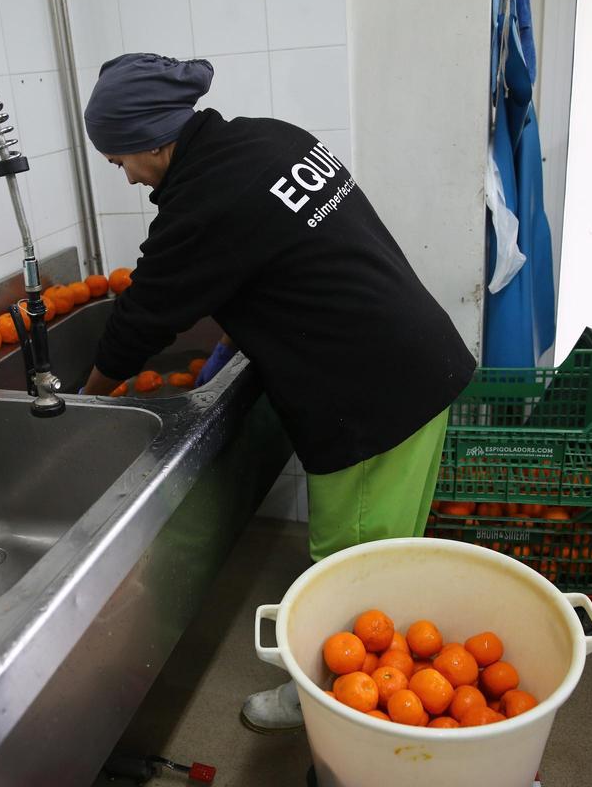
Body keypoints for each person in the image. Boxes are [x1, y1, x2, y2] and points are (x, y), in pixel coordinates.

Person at [80, 53, 476, 731]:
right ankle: (367, 678)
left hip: (369, 399)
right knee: (385, 550)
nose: (122, 173)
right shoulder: (270, 138)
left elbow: (141, 320)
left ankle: (331, 703)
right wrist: (249, 329)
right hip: (419, 359)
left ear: (153, 137)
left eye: (119, 158)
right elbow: (295, 258)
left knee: (349, 565)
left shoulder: (202, 201)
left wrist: (87, 401)